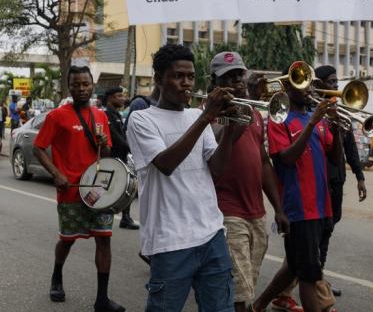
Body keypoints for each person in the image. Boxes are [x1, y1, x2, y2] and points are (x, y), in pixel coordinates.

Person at [126, 44, 240, 312]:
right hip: (170, 241)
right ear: (158, 79)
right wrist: (207, 117)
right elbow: (166, 164)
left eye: (190, 76)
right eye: (178, 76)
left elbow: (218, 168)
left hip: (212, 234)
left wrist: (232, 129)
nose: (186, 83)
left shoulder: (194, 115)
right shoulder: (142, 119)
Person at [250, 63, 342, 312]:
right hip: (300, 208)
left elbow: (334, 157)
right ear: (287, 86)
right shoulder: (281, 119)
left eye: (311, 82)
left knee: (295, 264)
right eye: (301, 81)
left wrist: (335, 125)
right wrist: (312, 123)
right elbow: (286, 158)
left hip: (323, 207)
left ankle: (257, 305)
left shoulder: (319, 118)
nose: (308, 87)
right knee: (309, 273)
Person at [32, 66, 123, 312]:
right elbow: (38, 147)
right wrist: (56, 173)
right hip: (70, 190)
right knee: (68, 240)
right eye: (76, 84)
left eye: (85, 84)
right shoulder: (57, 116)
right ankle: (57, 276)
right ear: (69, 87)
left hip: (99, 190)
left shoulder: (101, 116)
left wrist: (104, 145)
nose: (81, 88)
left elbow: (105, 155)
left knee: (104, 240)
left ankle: (102, 300)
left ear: (92, 85)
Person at [208, 52, 290, 312]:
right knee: (240, 292)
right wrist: (239, 114)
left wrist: (278, 208)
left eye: (239, 75)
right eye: (228, 77)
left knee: (247, 285)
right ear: (214, 81)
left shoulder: (254, 112)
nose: (237, 82)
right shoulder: (208, 113)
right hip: (227, 212)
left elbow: (263, 161)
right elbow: (217, 143)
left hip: (256, 212)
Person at [312, 65, 367, 297]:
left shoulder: (340, 110)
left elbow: (350, 146)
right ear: (319, 85)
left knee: (327, 230)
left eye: (337, 82)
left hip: (336, 182)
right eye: (332, 82)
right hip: (318, 182)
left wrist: (360, 176)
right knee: (316, 234)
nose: (336, 87)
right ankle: (314, 281)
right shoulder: (312, 110)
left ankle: (318, 278)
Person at [103, 86, 139, 230]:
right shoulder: (107, 115)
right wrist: (131, 148)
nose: (123, 99)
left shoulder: (116, 115)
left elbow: (123, 135)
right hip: (112, 159)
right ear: (111, 98)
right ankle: (104, 215)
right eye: (119, 96)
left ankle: (125, 217)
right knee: (108, 189)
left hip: (121, 158)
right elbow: (115, 137)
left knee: (126, 187)